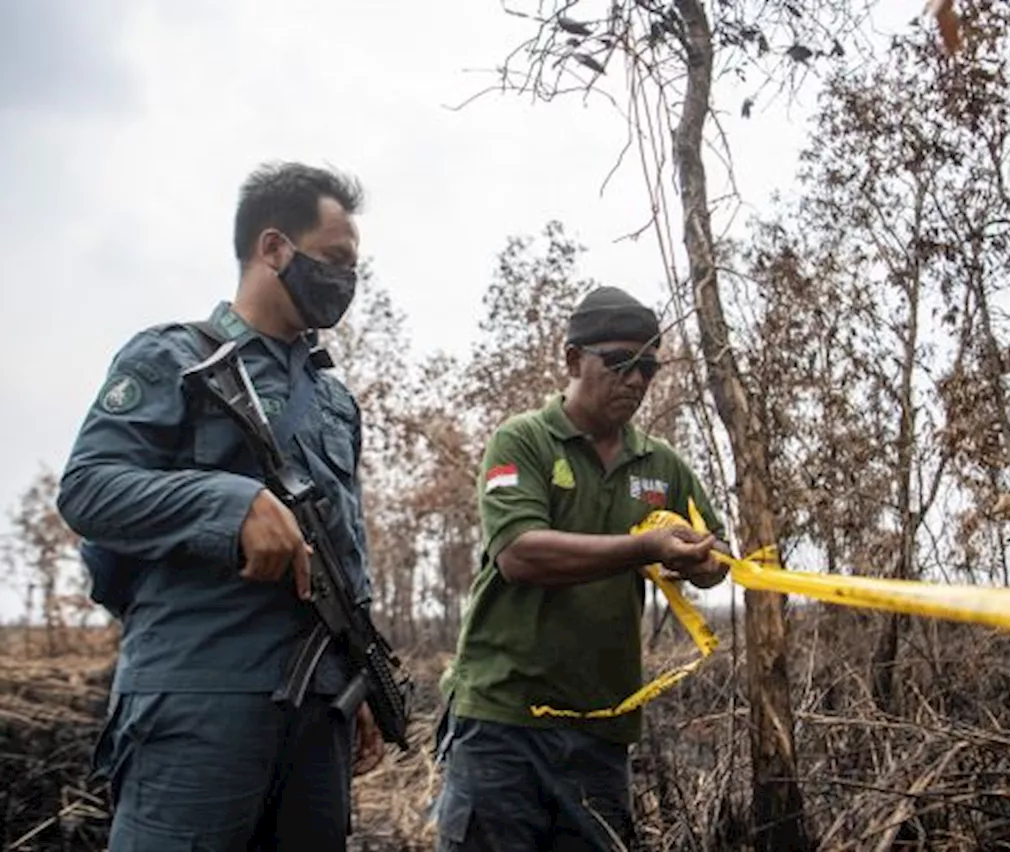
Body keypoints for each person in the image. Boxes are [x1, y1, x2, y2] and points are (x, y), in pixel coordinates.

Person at [56, 161, 385, 851]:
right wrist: (227, 502)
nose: (348, 282)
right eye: (335, 260)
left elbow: (344, 549)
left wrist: (351, 684)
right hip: (201, 692)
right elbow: (88, 486)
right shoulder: (170, 356)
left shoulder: (334, 402)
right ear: (274, 249)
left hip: (317, 709)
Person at [433, 286, 731, 851]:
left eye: (648, 367)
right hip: (502, 723)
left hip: (601, 729)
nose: (638, 381)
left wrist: (704, 562)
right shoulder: (523, 442)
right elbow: (521, 555)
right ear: (573, 360)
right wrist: (646, 548)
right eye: (621, 363)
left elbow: (715, 562)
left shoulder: (661, 465)